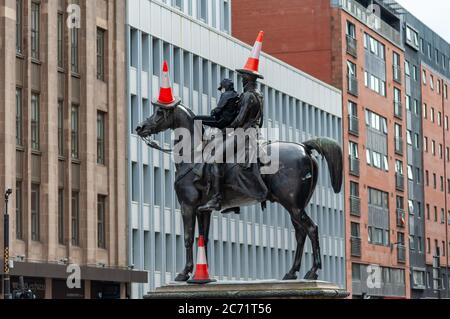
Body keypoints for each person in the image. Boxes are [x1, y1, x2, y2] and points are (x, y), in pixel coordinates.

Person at [195, 79, 239, 212]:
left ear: (224, 87)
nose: (221, 90)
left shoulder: (226, 95)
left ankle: (200, 142)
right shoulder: (236, 95)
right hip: (228, 124)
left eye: (221, 88)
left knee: (196, 119)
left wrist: (214, 111)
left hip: (222, 122)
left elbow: (218, 110)